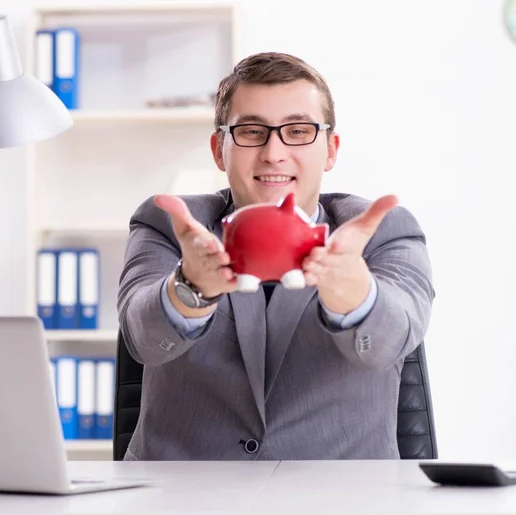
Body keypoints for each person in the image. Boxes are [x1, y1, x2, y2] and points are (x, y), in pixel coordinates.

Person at [116, 52, 434, 461]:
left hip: (340, 498)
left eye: (298, 131)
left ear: (331, 149)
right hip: (181, 497)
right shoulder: (171, 224)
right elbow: (143, 339)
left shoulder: (380, 231)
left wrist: (355, 296)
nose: (273, 153)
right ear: (219, 149)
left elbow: (391, 342)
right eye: (251, 131)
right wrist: (190, 289)